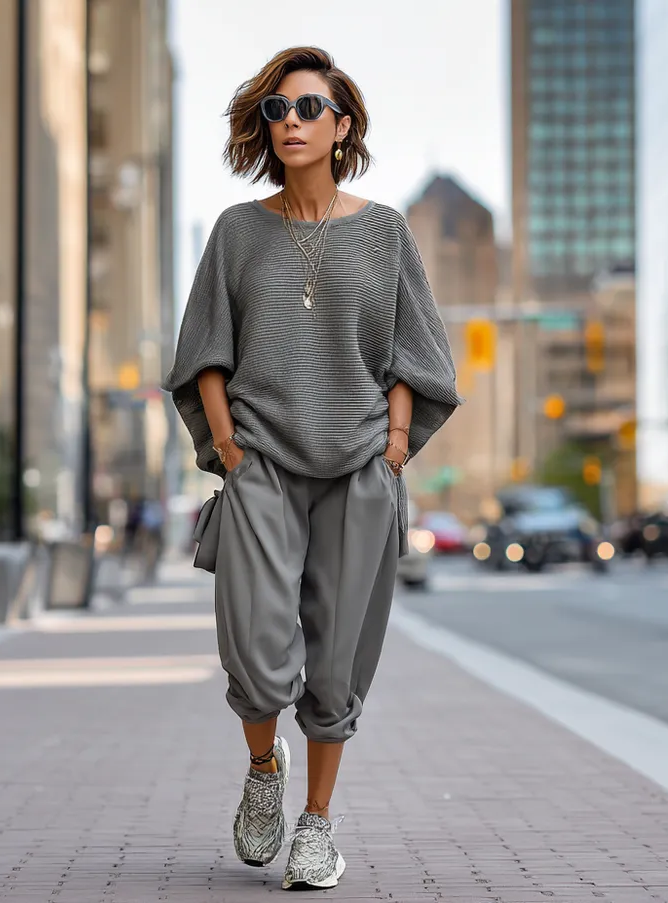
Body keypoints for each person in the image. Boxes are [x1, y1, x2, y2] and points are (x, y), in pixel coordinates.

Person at [162, 46, 460, 891]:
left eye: (306, 108)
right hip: (259, 465)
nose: (288, 122)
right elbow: (203, 353)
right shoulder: (236, 231)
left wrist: (396, 443)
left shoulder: (385, 230)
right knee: (253, 653)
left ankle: (318, 827)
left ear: (342, 125)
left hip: (359, 469)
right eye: (275, 111)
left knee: (336, 666)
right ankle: (265, 769)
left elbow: (419, 353)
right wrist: (227, 447)